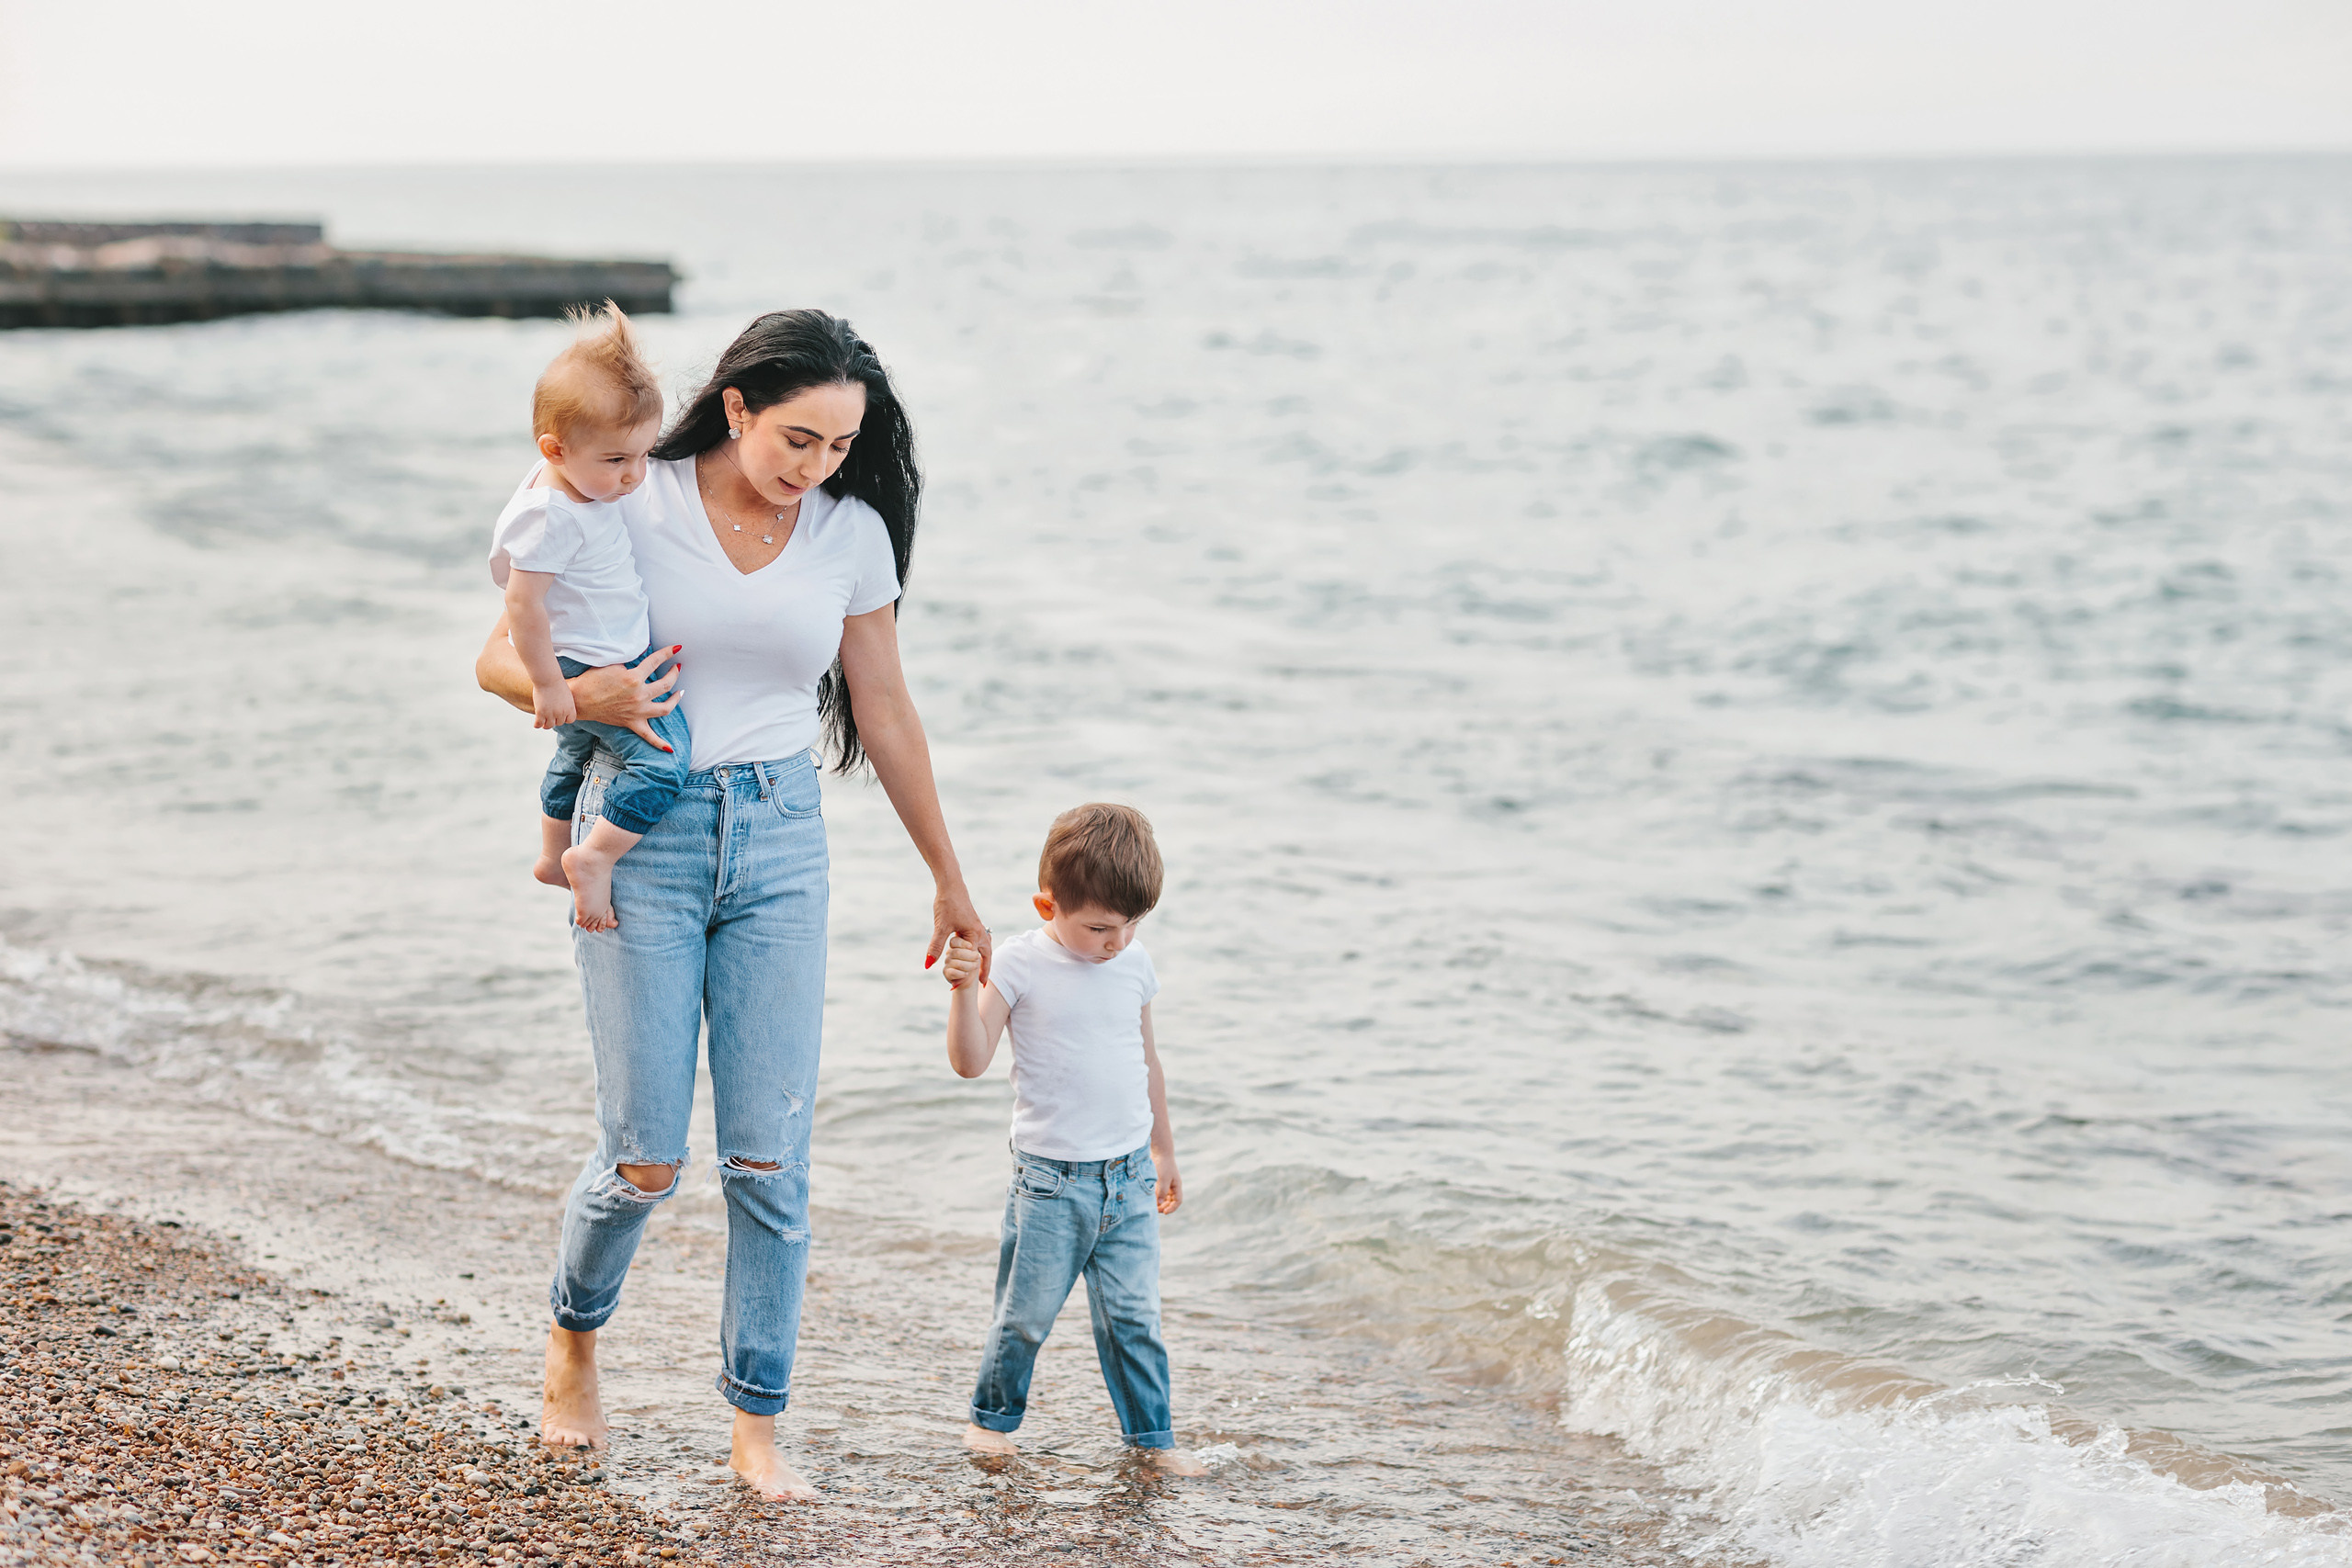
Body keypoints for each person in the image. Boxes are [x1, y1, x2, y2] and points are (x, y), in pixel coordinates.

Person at [475, 310, 992, 1500]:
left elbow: (884, 707)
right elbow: (498, 655)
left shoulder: (852, 532)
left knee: (769, 1159)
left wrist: (950, 877)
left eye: (840, 446)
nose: (815, 466)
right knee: (645, 1158)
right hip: (639, 838)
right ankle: (572, 1339)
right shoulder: (625, 490)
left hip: (780, 840)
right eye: (797, 438)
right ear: (738, 404)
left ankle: (757, 1424)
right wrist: (586, 697)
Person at [938, 803, 1207, 1475]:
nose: (1117, 941)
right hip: (1051, 1183)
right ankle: (991, 1421)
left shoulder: (1133, 962)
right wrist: (964, 988)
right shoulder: (1020, 964)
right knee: (1024, 1316)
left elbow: (1147, 1061)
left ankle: (1153, 1441)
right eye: (1100, 927)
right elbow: (970, 1061)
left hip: (1129, 1177)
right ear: (1047, 905)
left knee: (1135, 1318)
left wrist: (1165, 1150)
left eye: (1131, 924)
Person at [486, 303, 686, 932]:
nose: (634, 477)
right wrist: (550, 685)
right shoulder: (552, 515)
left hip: (587, 651)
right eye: (617, 460)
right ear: (555, 448)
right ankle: (593, 856)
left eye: (643, 455)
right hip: (590, 660)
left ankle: (551, 856)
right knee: (663, 765)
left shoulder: (569, 481)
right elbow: (522, 603)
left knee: (574, 755)